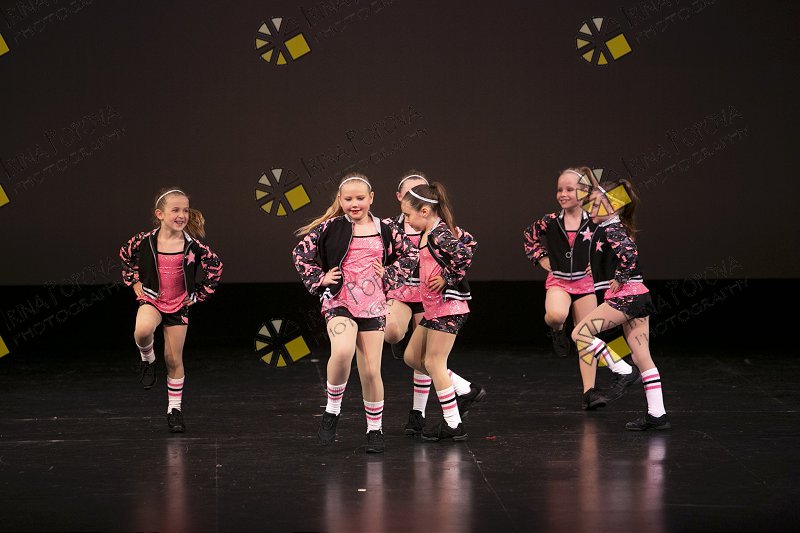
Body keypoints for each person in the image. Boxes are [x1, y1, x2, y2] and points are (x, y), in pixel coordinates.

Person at [292, 173, 417, 453]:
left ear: (371, 198)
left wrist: (390, 274)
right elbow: (300, 253)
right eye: (348, 199)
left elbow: (410, 255)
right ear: (340, 200)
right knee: (342, 351)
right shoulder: (331, 227)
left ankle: (374, 429)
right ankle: (332, 410)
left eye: (360, 198)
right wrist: (320, 278)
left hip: (373, 304)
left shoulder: (386, 228)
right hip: (340, 300)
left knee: (371, 371)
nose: (354, 204)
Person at [384, 171, 486, 435]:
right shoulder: (426, 232)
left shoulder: (439, 233)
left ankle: (453, 423)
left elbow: (464, 254)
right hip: (434, 309)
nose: (406, 220)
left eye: (409, 215)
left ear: (425, 211)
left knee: (433, 363)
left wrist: (447, 277)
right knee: (411, 357)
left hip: (448, 307)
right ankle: (465, 389)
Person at [571, 174, 670, 430]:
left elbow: (630, 254)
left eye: (597, 204)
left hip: (626, 296)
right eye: (591, 203)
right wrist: (601, 270)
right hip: (638, 295)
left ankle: (623, 370)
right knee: (642, 356)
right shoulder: (609, 228)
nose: (591, 208)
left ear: (614, 206)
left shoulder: (612, 228)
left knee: (580, 333)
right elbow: (619, 255)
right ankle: (657, 414)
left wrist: (619, 277)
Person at [120, 188, 223, 433]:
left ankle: (174, 410)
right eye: (175, 210)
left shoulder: (192, 246)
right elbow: (125, 255)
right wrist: (134, 281)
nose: (182, 215)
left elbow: (216, 268)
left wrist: (198, 295)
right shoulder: (145, 241)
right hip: (153, 299)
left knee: (174, 359)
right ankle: (147, 359)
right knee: (142, 331)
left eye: (185, 210)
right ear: (160, 214)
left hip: (178, 305)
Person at [524, 167, 605, 410]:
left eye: (569, 189)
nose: (563, 194)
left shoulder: (594, 220)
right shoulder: (550, 221)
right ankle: (557, 330)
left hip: (584, 283)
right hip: (559, 281)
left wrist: (599, 264)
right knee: (557, 315)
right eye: (560, 189)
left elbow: (614, 240)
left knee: (587, 336)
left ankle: (589, 392)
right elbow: (529, 236)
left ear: (584, 193)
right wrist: (540, 258)